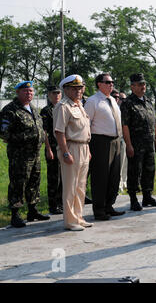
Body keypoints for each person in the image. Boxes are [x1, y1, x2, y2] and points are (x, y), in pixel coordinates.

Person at [0, 81, 50, 228]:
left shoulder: (33, 108)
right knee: (18, 183)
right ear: (18, 93)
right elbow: (3, 133)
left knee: (34, 181)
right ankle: (15, 214)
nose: (29, 94)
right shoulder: (10, 110)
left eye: (31, 91)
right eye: (25, 91)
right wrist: (25, 138)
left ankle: (32, 210)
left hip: (35, 153)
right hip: (19, 155)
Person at [53, 75, 93, 231]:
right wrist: (65, 152)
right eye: (75, 88)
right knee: (70, 186)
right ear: (66, 89)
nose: (79, 91)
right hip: (71, 148)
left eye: (80, 87)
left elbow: (85, 130)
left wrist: (88, 149)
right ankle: (70, 221)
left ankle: (79, 217)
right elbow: (59, 132)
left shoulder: (79, 105)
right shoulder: (63, 106)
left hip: (83, 147)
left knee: (81, 186)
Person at [84, 73, 125, 220]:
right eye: (107, 82)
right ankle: (99, 210)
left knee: (114, 177)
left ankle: (109, 206)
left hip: (116, 141)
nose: (111, 84)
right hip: (100, 142)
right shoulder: (92, 101)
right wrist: (88, 145)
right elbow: (86, 125)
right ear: (99, 84)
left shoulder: (112, 100)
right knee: (100, 177)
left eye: (112, 82)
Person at [120, 73, 156, 211]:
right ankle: (133, 199)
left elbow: (153, 121)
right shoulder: (127, 103)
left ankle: (147, 196)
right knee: (134, 171)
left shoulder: (148, 101)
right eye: (139, 84)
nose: (143, 86)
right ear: (132, 86)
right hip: (136, 144)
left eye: (144, 84)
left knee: (149, 170)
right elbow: (125, 125)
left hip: (149, 143)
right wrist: (129, 145)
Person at [41, 85, 63, 214]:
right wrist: (48, 149)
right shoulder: (46, 111)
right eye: (54, 93)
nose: (56, 96)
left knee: (63, 177)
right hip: (53, 147)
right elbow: (44, 132)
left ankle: (60, 202)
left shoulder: (62, 108)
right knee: (54, 178)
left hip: (63, 146)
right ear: (49, 95)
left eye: (58, 93)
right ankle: (53, 205)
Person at [118, 91, 128, 192]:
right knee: (120, 163)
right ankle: (119, 183)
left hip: (126, 139)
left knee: (126, 162)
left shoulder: (125, 109)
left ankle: (124, 181)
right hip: (118, 138)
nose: (123, 101)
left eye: (124, 99)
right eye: (121, 99)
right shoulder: (115, 109)